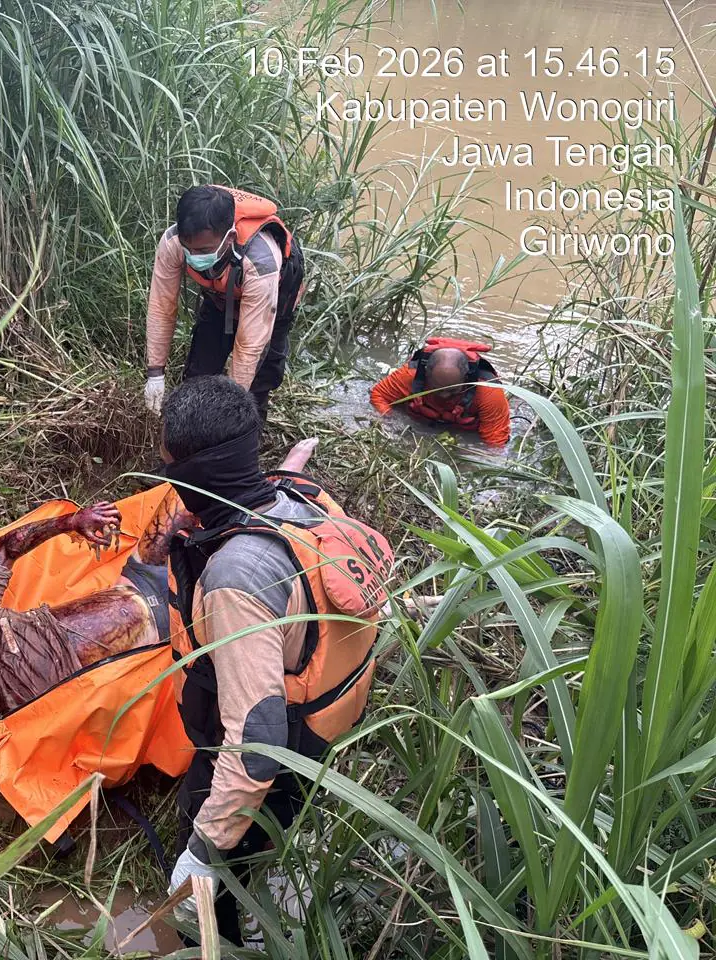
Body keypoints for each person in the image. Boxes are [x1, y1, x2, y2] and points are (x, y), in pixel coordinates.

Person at [159, 375, 391, 947]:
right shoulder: (309, 503)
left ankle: (218, 938)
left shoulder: (239, 579)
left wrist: (204, 850)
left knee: (221, 892)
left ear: (187, 473)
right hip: (322, 728)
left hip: (274, 754)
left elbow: (256, 743)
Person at [0, 488, 197, 713]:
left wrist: (70, 522)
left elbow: (5, 548)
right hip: (170, 633)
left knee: (189, 484)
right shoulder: (6, 720)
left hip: (139, 581)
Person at [143, 184, 305, 421]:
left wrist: (232, 404)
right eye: (189, 250)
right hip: (220, 293)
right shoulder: (174, 240)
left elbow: (249, 347)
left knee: (257, 383)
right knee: (199, 372)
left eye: (203, 250)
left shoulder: (261, 262)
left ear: (228, 238)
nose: (195, 257)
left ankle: (246, 438)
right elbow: (161, 306)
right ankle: (192, 432)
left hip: (273, 294)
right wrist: (155, 372)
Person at [370, 337, 511, 447]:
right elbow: (379, 396)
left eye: (452, 390)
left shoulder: (489, 392)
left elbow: (495, 443)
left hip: (462, 431)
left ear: (467, 377)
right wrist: (389, 422)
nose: (444, 396)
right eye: (436, 388)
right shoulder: (409, 375)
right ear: (426, 374)